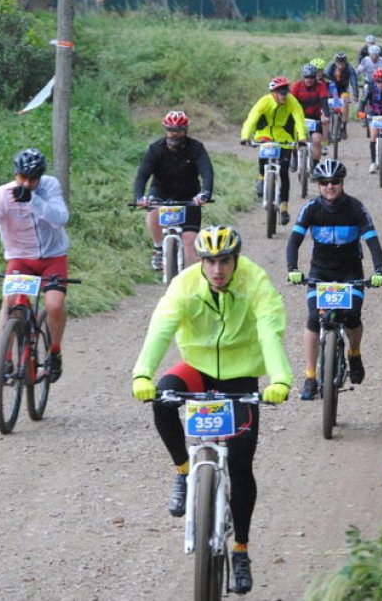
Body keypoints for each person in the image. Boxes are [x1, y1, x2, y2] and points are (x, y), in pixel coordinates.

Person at [131, 224, 293, 595]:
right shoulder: (185, 285)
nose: (217, 270)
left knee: (239, 465)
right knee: (163, 398)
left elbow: (271, 330)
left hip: (241, 378)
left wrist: (279, 379)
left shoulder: (256, 282)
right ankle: (184, 470)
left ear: (236, 260)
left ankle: (241, 549)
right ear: (200, 262)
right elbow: (160, 328)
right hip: (198, 369)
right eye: (210, 262)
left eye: (224, 261)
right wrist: (142, 373)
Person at [0, 148, 71, 382]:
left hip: (53, 256)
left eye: (32, 178)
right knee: (11, 301)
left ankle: (54, 352)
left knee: (54, 304)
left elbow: (61, 218)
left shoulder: (49, 186)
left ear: (40, 177)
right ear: (15, 173)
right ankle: (7, 359)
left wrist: (33, 201)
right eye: (22, 177)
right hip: (20, 258)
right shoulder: (2, 194)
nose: (26, 182)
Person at [286, 159, 382, 400]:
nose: (330, 186)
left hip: (350, 273)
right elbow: (294, 241)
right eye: (324, 183)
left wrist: (379, 270)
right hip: (320, 272)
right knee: (313, 318)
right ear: (318, 185)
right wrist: (292, 268)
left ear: (342, 183)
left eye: (335, 182)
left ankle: (354, 353)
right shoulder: (310, 209)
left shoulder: (356, 208)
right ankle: (310, 376)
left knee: (352, 316)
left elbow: (372, 240)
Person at [133, 110, 214, 270]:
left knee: (190, 240)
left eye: (178, 130)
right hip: (161, 192)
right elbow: (142, 175)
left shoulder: (196, 148)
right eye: (170, 130)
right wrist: (139, 197)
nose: (173, 134)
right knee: (153, 212)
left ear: (185, 131)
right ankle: (158, 248)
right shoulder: (155, 149)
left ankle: (191, 280)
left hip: (189, 196)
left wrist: (205, 194)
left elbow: (207, 172)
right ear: (165, 130)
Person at [240, 76, 308, 226]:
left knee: (284, 171)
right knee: (264, 155)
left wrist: (302, 138)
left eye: (286, 92)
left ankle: (284, 208)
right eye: (282, 93)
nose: (285, 96)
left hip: (284, 137)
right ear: (273, 93)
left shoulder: (291, 101)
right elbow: (252, 118)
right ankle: (261, 178)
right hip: (264, 134)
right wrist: (245, 136)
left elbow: (299, 119)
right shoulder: (264, 102)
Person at [289, 64, 330, 164]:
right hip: (299, 116)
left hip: (315, 117)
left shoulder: (321, 85)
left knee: (316, 141)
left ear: (315, 77)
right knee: (293, 138)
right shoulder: (296, 86)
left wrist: (326, 116)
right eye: (306, 77)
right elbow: (290, 102)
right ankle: (294, 155)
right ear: (303, 77)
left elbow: (324, 102)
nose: (309, 80)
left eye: (311, 77)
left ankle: (315, 166)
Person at [324, 51, 360, 139]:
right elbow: (324, 81)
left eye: (343, 63)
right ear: (335, 62)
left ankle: (343, 127)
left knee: (345, 101)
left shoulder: (349, 68)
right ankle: (326, 129)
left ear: (346, 62)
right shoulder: (330, 68)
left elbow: (353, 81)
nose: (341, 66)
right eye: (339, 63)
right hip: (331, 88)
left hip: (343, 89)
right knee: (325, 104)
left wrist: (355, 94)